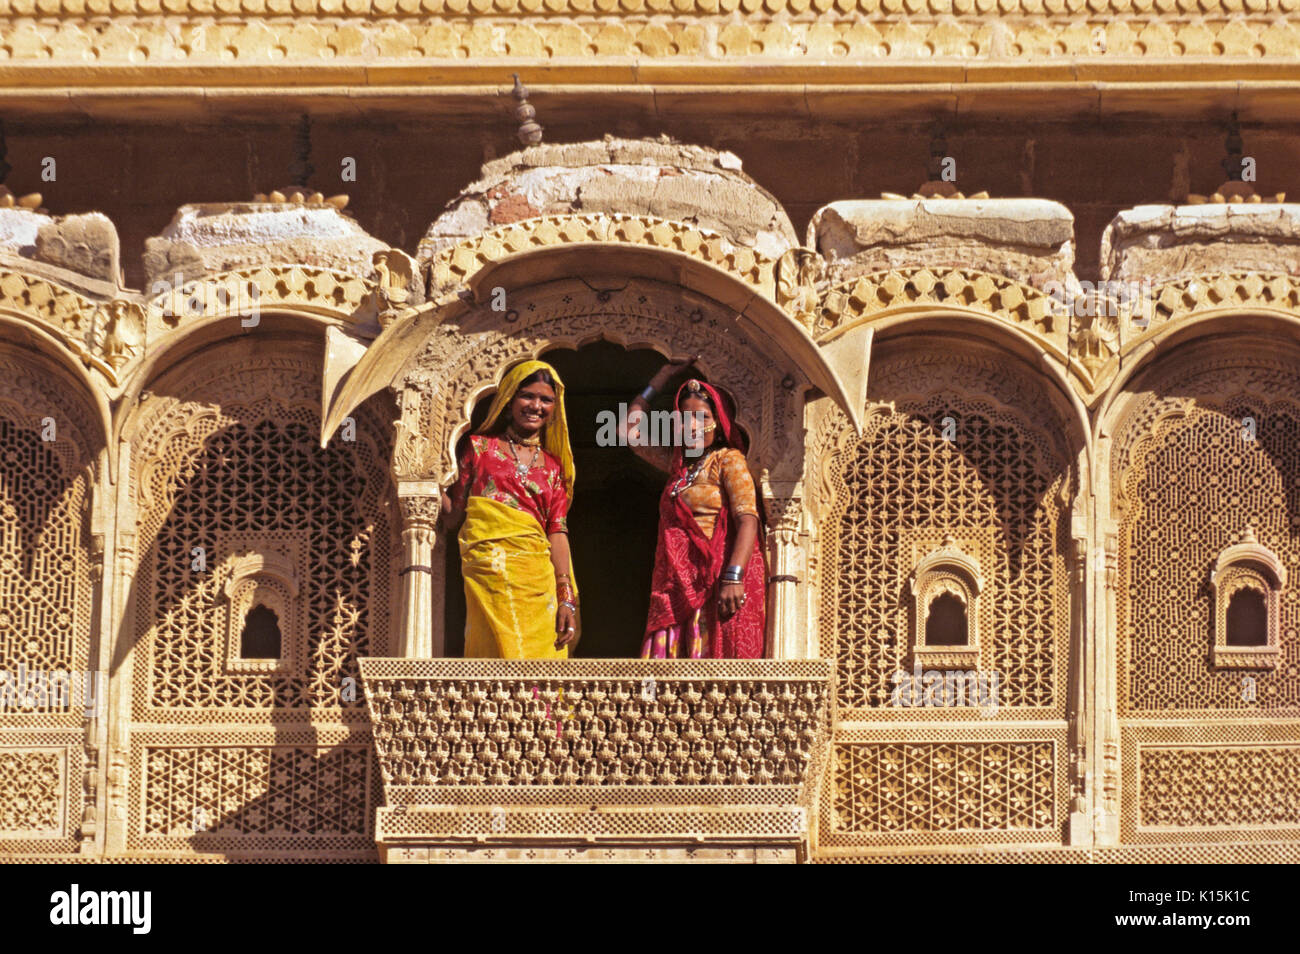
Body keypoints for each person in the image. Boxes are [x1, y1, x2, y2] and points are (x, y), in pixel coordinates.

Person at [621, 358, 766, 659]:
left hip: (712, 585)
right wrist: (660, 378)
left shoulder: (727, 460)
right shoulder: (677, 467)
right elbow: (627, 433)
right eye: (685, 418)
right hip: (672, 588)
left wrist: (734, 576)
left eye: (702, 417)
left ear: (719, 421)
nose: (693, 426)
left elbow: (747, 520)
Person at [440, 360, 579, 658]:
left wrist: (565, 596)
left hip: (537, 579)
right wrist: (428, 481)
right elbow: (453, 517)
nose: (536, 406)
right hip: (488, 572)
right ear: (509, 400)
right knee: (498, 659)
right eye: (527, 396)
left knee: (543, 665)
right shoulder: (479, 449)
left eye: (546, 400)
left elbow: (557, 530)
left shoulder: (554, 468)